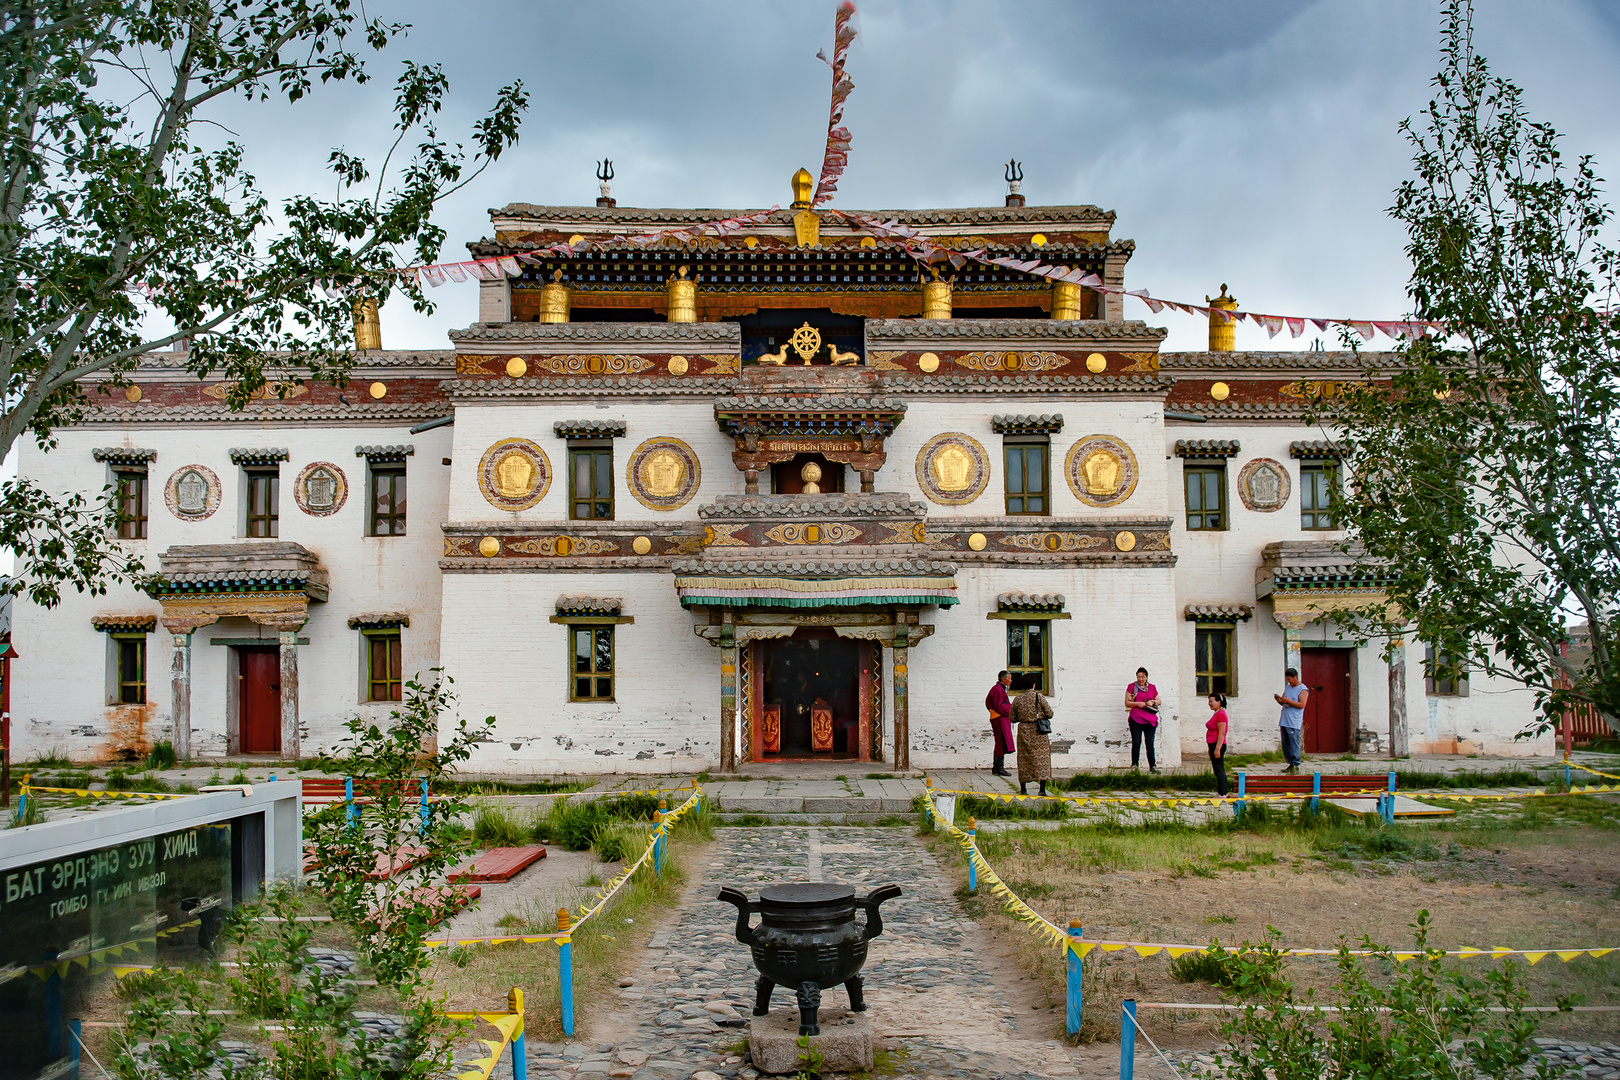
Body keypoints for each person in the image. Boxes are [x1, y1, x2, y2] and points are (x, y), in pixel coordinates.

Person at [1011, 683, 1054, 796]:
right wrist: (1040, 715)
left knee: (1024, 758)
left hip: (1024, 731)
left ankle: (1023, 789)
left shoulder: (1017, 699)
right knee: (1042, 759)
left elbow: (1012, 718)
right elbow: (1050, 713)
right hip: (1038, 731)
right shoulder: (1038, 697)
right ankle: (1042, 790)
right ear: (1034, 685)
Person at [1124, 667, 1161, 773]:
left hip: (1150, 720)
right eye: (1139, 677)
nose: (1141, 679)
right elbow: (1127, 702)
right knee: (1136, 742)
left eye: (1143, 677)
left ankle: (1153, 766)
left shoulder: (1152, 687)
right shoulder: (1132, 687)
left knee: (1150, 742)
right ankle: (1134, 765)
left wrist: (1152, 702)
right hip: (1136, 718)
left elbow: (1159, 700)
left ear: (1146, 677)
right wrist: (1138, 704)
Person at [1273, 667, 1308, 773]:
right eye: (1287, 679)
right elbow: (1284, 701)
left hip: (1294, 721)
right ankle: (1290, 763)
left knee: (1293, 742)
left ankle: (1296, 764)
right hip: (1285, 719)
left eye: (1290, 679)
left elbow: (1302, 704)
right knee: (1286, 743)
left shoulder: (1303, 689)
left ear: (1295, 677)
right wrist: (1279, 700)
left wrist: (1289, 701)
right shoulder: (1288, 688)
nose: (1289, 682)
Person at [985, 670, 1014, 777]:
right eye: (1009, 678)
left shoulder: (1000, 689)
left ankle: (997, 767)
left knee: (1001, 741)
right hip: (999, 718)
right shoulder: (997, 690)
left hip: (1000, 718)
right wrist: (1010, 708)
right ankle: (998, 768)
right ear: (1003, 679)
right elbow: (999, 706)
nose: (1010, 681)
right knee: (1000, 741)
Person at [1206, 693, 1230, 797]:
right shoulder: (1217, 713)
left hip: (1217, 744)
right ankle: (1221, 791)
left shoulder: (1221, 715)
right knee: (1216, 768)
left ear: (1219, 702)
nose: (1209, 704)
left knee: (1219, 768)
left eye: (1212, 701)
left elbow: (1221, 733)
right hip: (1213, 744)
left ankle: (1223, 792)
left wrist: (1217, 748)